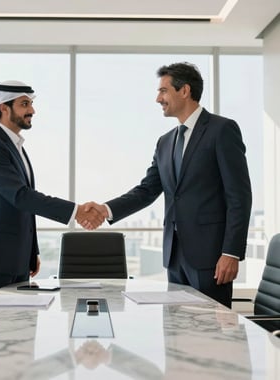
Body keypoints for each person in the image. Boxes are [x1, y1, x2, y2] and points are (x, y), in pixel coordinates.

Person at [85, 62, 252, 308]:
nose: (157, 98)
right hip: (174, 256)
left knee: (211, 336)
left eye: (163, 91)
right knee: (176, 334)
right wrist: (106, 209)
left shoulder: (222, 130)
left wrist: (231, 252)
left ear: (184, 91)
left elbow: (239, 196)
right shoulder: (165, 142)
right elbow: (147, 191)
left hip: (211, 258)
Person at [0, 80, 105, 302]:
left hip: (15, 257)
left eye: (31, 104)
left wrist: (31, 251)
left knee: (18, 329)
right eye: (24, 104)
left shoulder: (13, 145)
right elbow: (20, 196)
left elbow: (23, 207)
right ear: (3, 108)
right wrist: (77, 211)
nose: (32, 111)